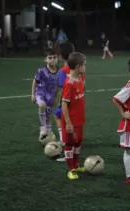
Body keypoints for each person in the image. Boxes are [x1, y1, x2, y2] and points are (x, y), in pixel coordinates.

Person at [61, 52, 87, 180]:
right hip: (71, 120)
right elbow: (64, 105)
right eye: (84, 65)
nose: (85, 67)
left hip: (80, 118)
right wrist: (68, 123)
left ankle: (76, 165)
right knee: (69, 143)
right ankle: (70, 169)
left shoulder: (81, 77)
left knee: (79, 141)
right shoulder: (69, 83)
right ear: (77, 66)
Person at [31, 49, 59, 140]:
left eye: (54, 57)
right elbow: (35, 81)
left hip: (50, 96)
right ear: (45, 59)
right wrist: (33, 94)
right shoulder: (41, 71)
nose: (52, 59)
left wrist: (55, 98)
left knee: (48, 116)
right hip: (40, 92)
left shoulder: (59, 72)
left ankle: (48, 135)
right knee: (42, 105)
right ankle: (43, 129)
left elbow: (58, 87)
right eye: (50, 58)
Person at [54, 42, 75, 144]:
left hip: (67, 101)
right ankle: (74, 138)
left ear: (60, 56)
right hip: (77, 99)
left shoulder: (63, 71)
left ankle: (63, 140)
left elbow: (63, 89)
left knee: (58, 115)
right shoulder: (77, 68)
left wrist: (59, 102)